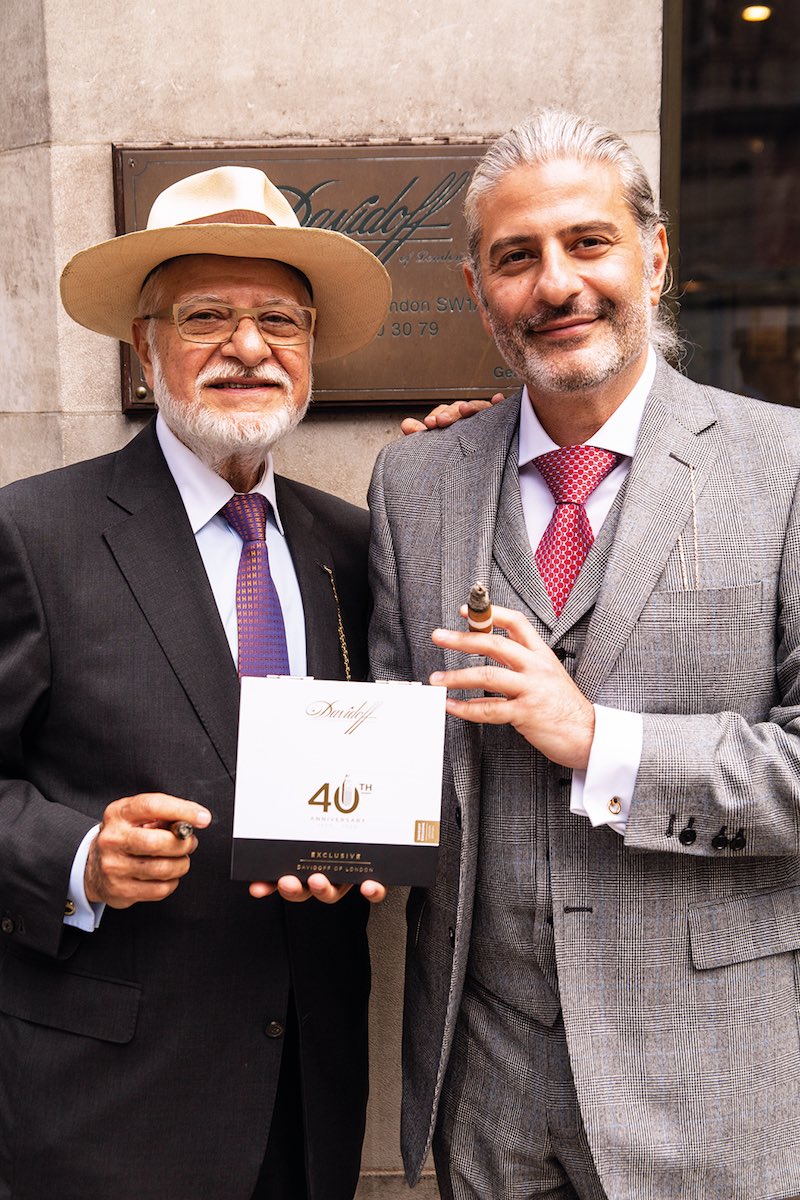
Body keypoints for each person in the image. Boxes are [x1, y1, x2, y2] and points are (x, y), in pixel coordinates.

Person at [368, 110, 800, 1200]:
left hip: (707, 1088)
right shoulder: (414, 481)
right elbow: (394, 741)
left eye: (587, 242)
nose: (555, 283)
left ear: (652, 258)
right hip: (486, 1092)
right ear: (478, 292)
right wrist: (329, 843)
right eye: (516, 258)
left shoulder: (781, 467)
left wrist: (597, 741)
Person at [0, 165, 391, 1200]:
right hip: (103, 1107)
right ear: (144, 344)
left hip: (306, 1096)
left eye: (280, 320)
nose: (249, 347)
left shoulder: (351, 546)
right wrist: (78, 856)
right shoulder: (32, 534)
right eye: (206, 316)